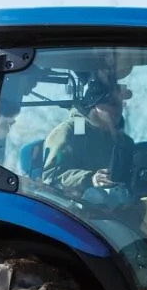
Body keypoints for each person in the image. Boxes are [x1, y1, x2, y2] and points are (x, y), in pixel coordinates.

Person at [40, 71, 137, 200]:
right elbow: (51, 177)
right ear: (94, 103)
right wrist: (91, 179)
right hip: (75, 213)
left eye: (120, 104)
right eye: (112, 104)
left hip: (118, 215)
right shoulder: (70, 132)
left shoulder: (123, 142)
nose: (118, 110)